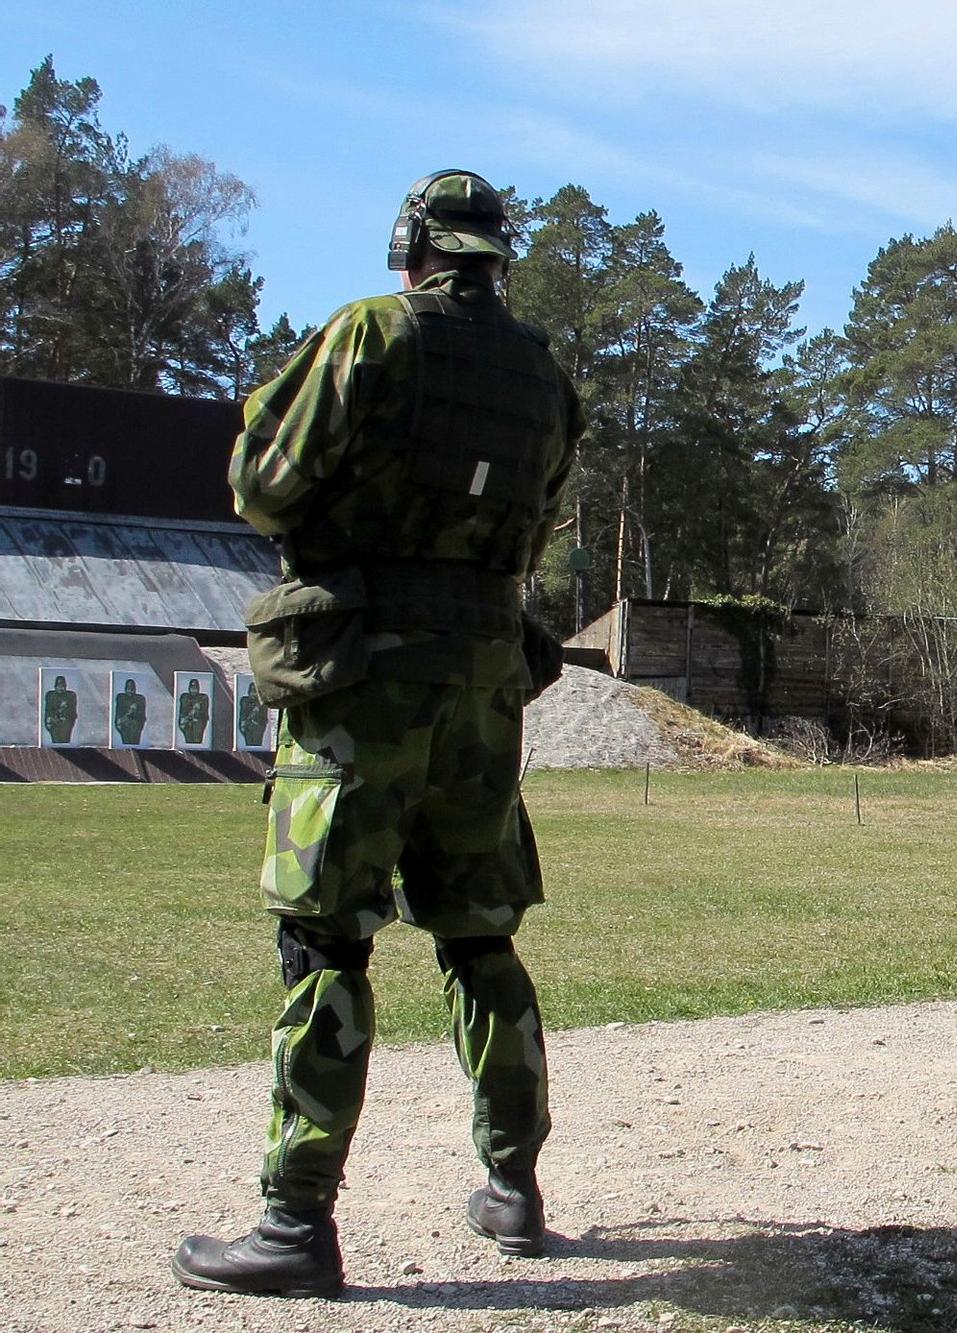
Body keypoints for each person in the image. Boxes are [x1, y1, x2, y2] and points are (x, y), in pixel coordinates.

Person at [172, 169, 582, 1298]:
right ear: (498, 255)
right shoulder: (545, 374)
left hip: (363, 684)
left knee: (324, 943)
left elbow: (263, 487)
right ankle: (514, 1188)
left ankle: (294, 1223)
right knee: (480, 938)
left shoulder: (369, 334)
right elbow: (532, 520)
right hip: (483, 686)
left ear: (413, 248)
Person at [42, 674, 76, 744]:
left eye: (62, 686)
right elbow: (48, 711)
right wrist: (51, 719)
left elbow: (73, 712)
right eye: (59, 686)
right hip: (54, 722)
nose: (60, 688)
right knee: (56, 741)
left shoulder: (71, 696)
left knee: (65, 741)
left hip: (65, 722)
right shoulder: (51, 695)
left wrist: (66, 716)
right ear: (55, 686)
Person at [177, 676, 210, 746]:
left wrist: (197, 715)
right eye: (192, 688)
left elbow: (204, 713)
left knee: (197, 739)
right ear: (189, 689)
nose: (193, 691)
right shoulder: (185, 697)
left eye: (195, 689)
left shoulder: (203, 697)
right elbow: (183, 711)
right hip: (186, 722)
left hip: (198, 722)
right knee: (188, 739)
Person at [115, 678, 147, 747]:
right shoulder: (121, 698)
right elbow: (119, 714)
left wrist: (134, 712)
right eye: (128, 689)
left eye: (132, 689)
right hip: (125, 724)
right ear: (125, 689)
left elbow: (142, 717)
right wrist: (120, 722)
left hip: (136, 724)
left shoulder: (140, 699)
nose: (130, 691)